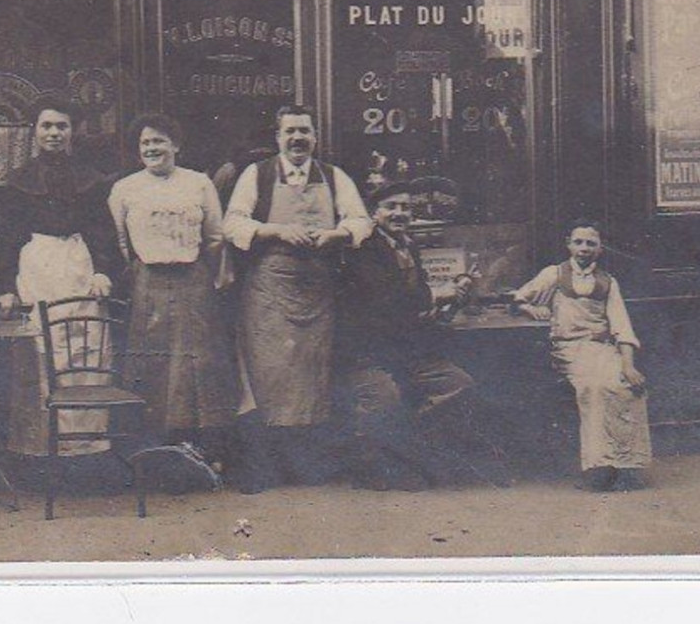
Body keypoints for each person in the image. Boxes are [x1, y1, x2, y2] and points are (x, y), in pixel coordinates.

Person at [223, 104, 373, 493]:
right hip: (269, 292)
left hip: (317, 291)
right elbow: (233, 223)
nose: (297, 139)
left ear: (314, 137)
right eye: (290, 132)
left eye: (304, 132)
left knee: (312, 379)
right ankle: (267, 467)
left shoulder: (335, 177)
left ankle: (307, 466)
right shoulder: (257, 175)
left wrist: (337, 235)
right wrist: (275, 231)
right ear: (277, 137)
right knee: (268, 378)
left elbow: (362, 221)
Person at [0, 93, 122, 462]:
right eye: (46, 125)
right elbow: (8, 236)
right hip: (37, 270)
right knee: (39, 360)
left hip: (80, 269)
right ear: (35, 131)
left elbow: (103, 232)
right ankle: (37, 454)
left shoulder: (91, 181)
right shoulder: (19, 182)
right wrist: (4, 287)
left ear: (72, 131)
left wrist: (104, 271)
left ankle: (86, 453)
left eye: (61, 126)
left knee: (83, 360)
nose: (54, 133)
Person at [108, 114, 237, 470]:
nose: (152, 148)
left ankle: (202, 449)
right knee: (151, 364)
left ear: (176, 146)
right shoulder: (125, 188)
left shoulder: (198, 183)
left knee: (197, 364)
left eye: (160, 141)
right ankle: (152, 451)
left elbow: (214, 236)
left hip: (193, 280)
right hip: (147, 281)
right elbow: (120, 241)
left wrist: (204, 275)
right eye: (145, 143)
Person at [336, 178, 478, 491]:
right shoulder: (363, 248)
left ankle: (408, 452)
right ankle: (372, 467)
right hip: (366, 355)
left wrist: (451, 297)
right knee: (384, 399)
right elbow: (385, 298)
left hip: (406, 352)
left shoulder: (408, 245)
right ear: (374, 213)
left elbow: (416, 300)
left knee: (458, 385)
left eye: (406, 208)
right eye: (391, 207)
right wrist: (439, 295)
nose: (400, 213)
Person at [512, 221, 652, 491]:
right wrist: (531, 309)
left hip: (600, 348)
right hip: (568, 349)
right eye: (578, 242)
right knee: (594, 387)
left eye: (591, 243)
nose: (584, 248)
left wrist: (628, 365)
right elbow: (520, 296)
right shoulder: (554, 274)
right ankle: (599, 468)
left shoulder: (608, 283)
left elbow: (622, 327)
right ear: (569, 245)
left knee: (625, 386)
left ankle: (626, 466)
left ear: (600, 249)